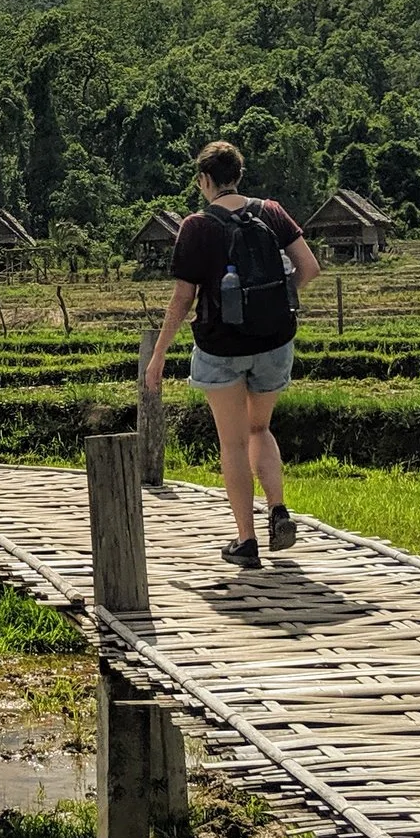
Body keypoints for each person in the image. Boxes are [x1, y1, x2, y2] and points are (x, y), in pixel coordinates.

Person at [146, 140, 323, 569]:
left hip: (220, 346)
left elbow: (182, 300)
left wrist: (159, 356)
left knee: (233, 441)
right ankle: (277, 509)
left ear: (205, 180)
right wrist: (278, 300)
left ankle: (246, 541)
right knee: (260, 429)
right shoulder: (272, 211)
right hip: (273, 341)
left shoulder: (196, 226)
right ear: (238, 175)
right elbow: (310, 267)